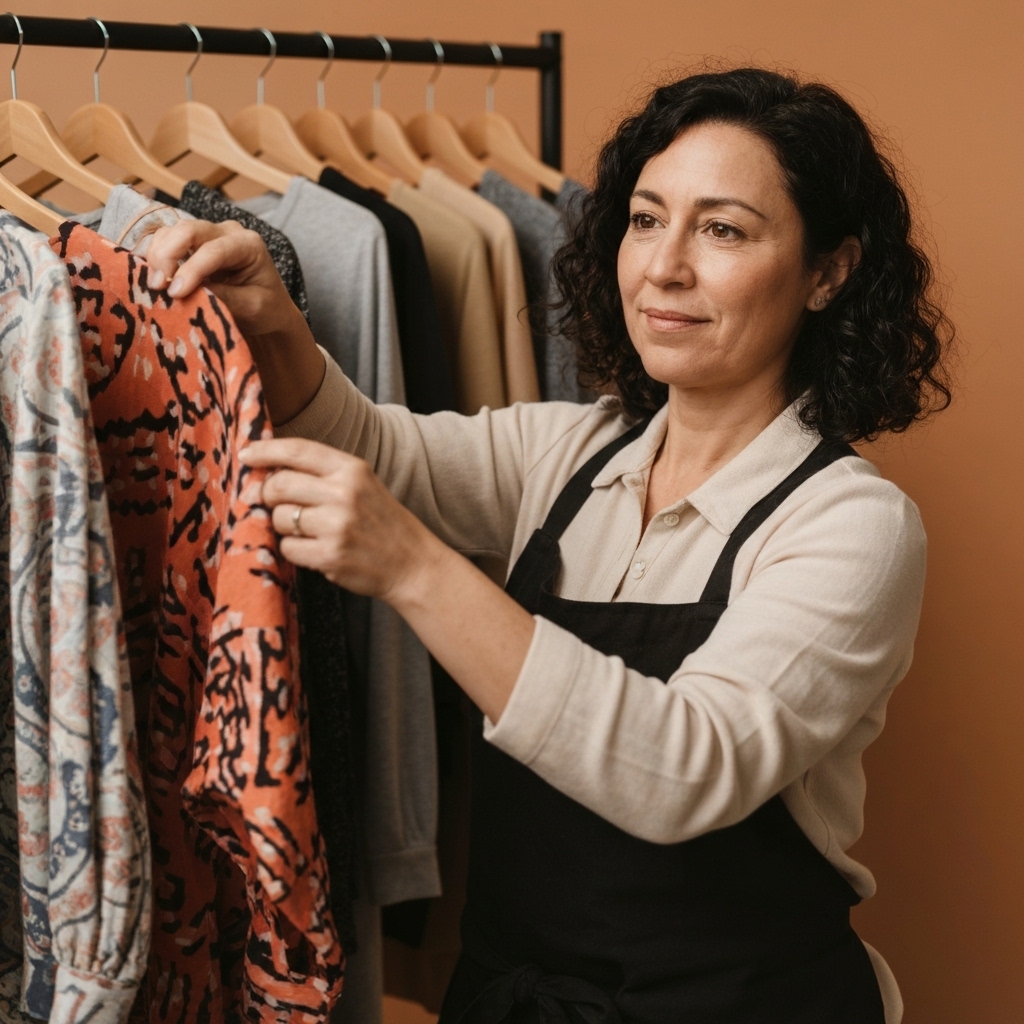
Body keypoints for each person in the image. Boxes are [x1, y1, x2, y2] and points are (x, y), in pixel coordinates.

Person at [146, 67, 952, 1023]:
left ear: (830, 270)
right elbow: (368, 446)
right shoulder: (571, 451)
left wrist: (413, 567)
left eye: (724, 229)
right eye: (647, 220)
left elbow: (682, 768)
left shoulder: (851, 524)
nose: (665, 266)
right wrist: (278, 326)